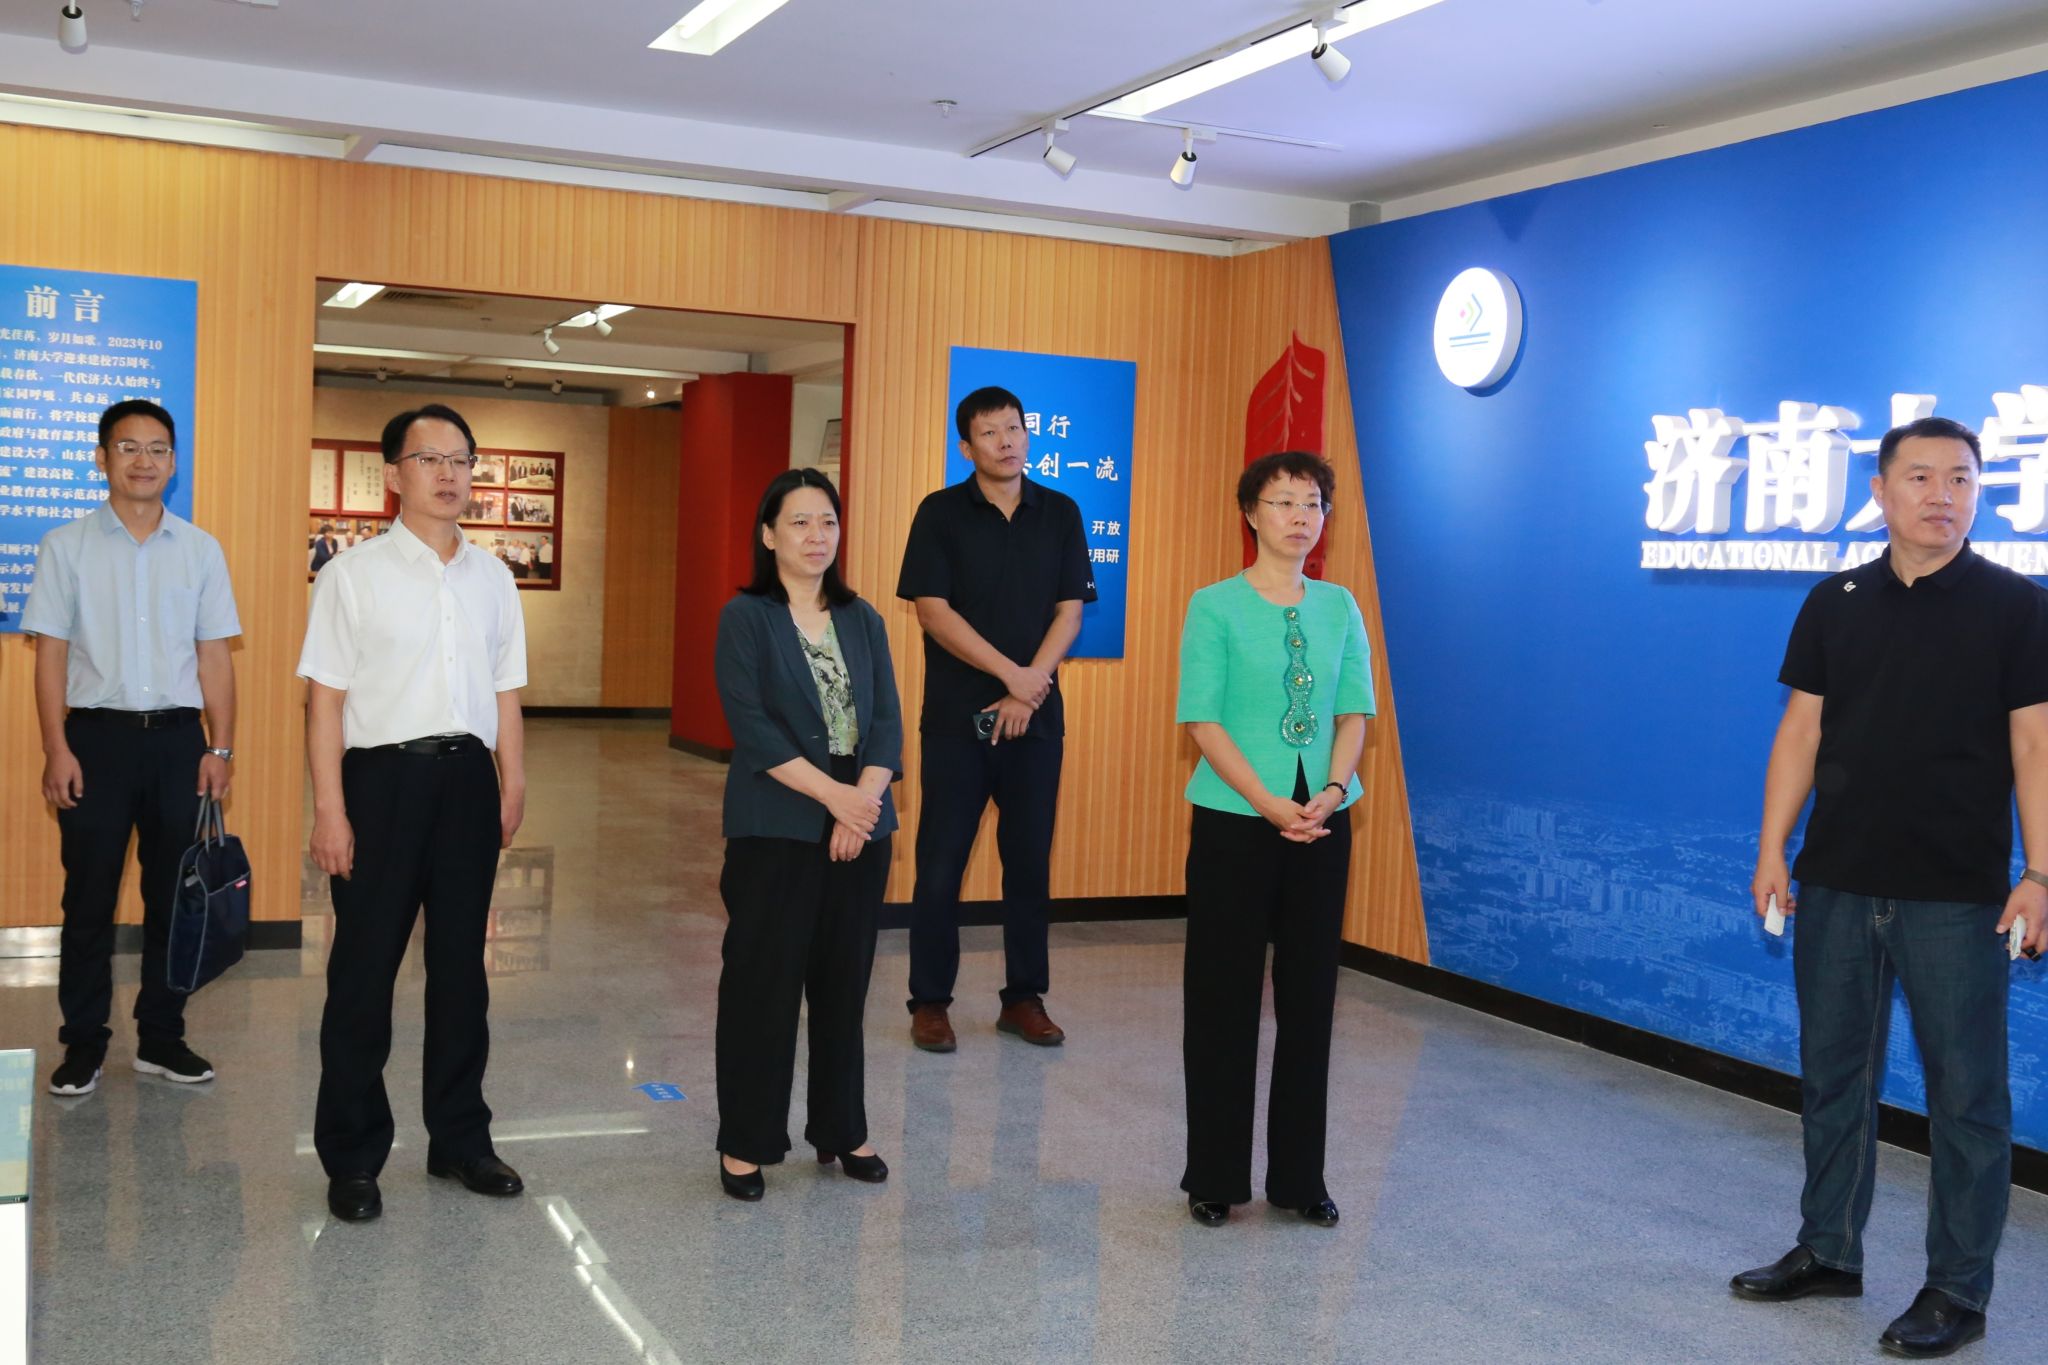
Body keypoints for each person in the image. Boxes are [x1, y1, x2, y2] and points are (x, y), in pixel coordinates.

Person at [1733, 416, 2048, 1359]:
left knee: (1967, 1098)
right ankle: (1829, 1247)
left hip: (1955, 893)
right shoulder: (1835, 600)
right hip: (1834, 881)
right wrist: (1772, 848)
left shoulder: (2016, 605)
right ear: (1880, 490)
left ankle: (1957, 1288)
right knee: (1834, 1075)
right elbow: (1801, 730)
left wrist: (2040, 871)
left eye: (1961, 478)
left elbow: (2036, 743)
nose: (1942, 495)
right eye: (1920, 476)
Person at [298, 402, 530, 1224]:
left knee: (463, 971)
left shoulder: (494, 577)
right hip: (380, 784)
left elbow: (506, 690)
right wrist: (330, 809)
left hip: (467, 781)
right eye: (430, 458)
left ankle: (460, 1138)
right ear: (394, 473)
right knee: (363, 973)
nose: (448, 474)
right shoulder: (352, 575)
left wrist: (511, 780)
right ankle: (354, 1155)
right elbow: (324, 704)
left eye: (461, 459)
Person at [1173, 450, 1372, 1229]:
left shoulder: (1340, 606)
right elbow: (1203, 719)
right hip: (1235, 821)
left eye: (1312, 502)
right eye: (1283, 501)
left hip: (1322, 821)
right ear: (1250, 513)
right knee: (1222, 997)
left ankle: (1300, 1179)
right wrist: (1266, 802)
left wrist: (1331, 791)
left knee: (1310, 1000)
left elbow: (1353, 713)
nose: (1299, 515)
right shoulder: (1213, 605)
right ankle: (1215, 1176)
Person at [23, 398, 241, 1096]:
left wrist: (221, 749)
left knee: (174, 899)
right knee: (87, 899)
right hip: (95, 743)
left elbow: (215, 657)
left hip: (179, 744)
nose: (143, 461)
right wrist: (56, 748)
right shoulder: (66, 546)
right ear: (102, 458)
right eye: (128, 447)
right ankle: (84, 1043)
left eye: (157, 449)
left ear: (173, 462)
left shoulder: (201, 550)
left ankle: (161, 1037)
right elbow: (51, 657)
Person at [711, 468, 902, 1201]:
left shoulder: (863, 618)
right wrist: (836, 801)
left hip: (862, 816)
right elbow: (752, 727)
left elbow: (886, 720)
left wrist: (863, 803)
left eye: (827, 521)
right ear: (768, 535)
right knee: (763, 985)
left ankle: (842, 1128)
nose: (816, 535)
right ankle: (747, 1141)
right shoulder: (746, 617)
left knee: (843, 985)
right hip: (777, 822)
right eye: (799, 522)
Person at [896, 386, 1095, 1051]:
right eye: (990, 432)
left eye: (1014, 428)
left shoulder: (1060, 511)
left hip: (1035, 719)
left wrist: (1029, 687)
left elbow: (1070, 610)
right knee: (941, 864)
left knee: (1029, 862)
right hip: (959, 719)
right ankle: (930, 1002)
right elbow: (933, 612)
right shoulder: (940, 513)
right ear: (966, 447)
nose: (1006, 441)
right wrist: (1013, 675)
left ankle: (1023, 998)